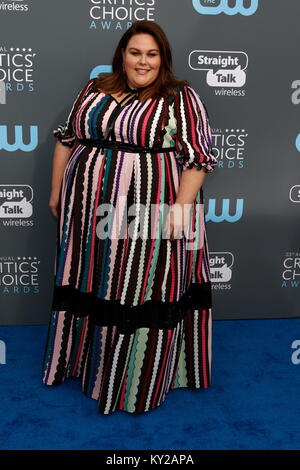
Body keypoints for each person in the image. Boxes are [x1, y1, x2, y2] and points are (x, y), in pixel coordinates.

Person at [42, 20, 218, 415]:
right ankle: (88, 367)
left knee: (136, 286)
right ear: (122, 54)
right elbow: (66, 138)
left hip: (148, 209)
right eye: (135, 52)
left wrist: (180, 210)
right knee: (92, 279)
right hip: (87, 207)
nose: (143, 61)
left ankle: (130, 384)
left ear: (163, 59)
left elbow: (198, 159)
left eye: (152, 54)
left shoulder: (179, 97)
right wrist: (57, 191)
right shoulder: (96, 88)